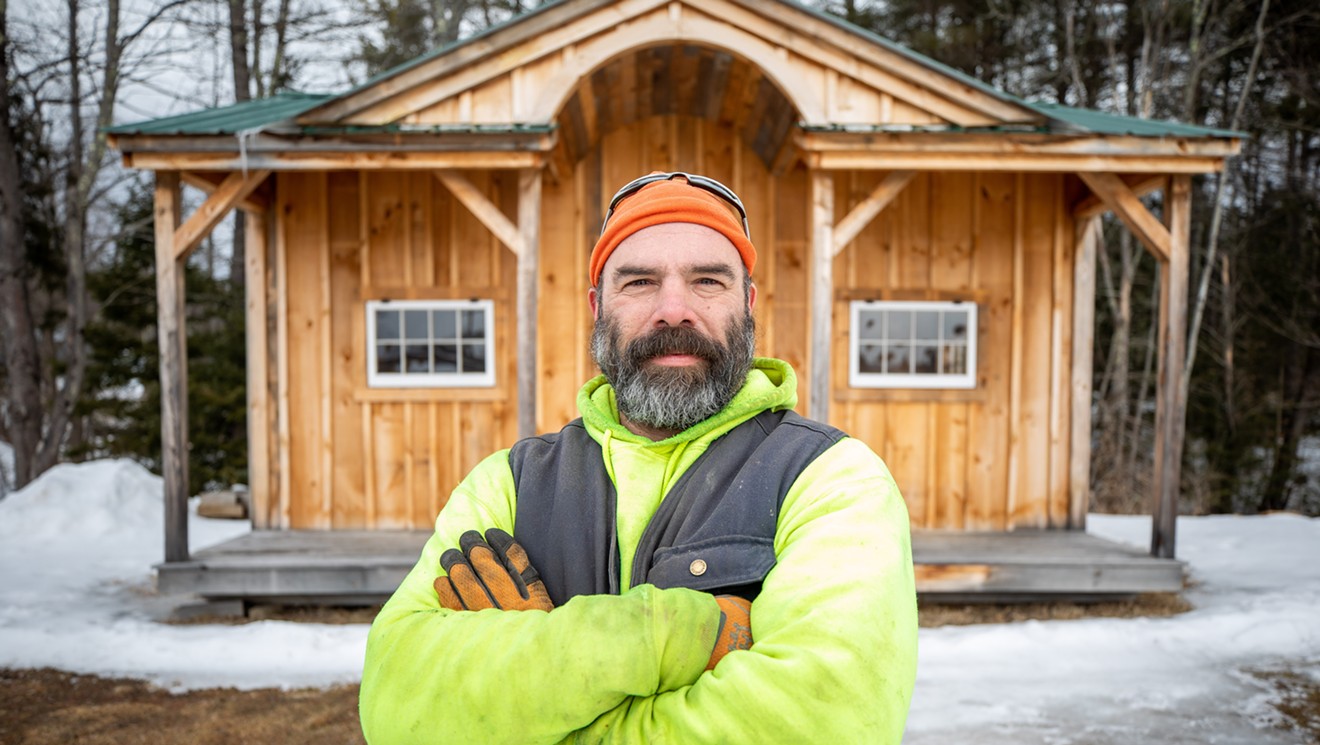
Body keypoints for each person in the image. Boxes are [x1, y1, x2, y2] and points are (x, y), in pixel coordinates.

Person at [358, 172, 918, 744]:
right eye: (640, 282)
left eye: (707, 281)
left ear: (746, 304)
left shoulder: (832, 477)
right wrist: (669, 637)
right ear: (599, 307)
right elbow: (394, 706)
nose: (673, 310)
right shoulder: (509, 481)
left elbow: (826, 722)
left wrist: (546, 691)